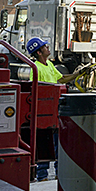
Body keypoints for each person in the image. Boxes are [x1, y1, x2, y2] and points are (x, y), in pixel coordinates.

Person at [26, 37, 70, 181]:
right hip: (44, 111)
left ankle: (59, 173)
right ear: (38, 52)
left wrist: (78, 74)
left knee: (58, 142)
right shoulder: (36, 68)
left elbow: (61, 79)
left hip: (54, 109)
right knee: (44, 142)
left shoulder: (49, 64)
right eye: (45, 47)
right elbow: (37, 88)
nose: (48, 48)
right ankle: (42, 175)